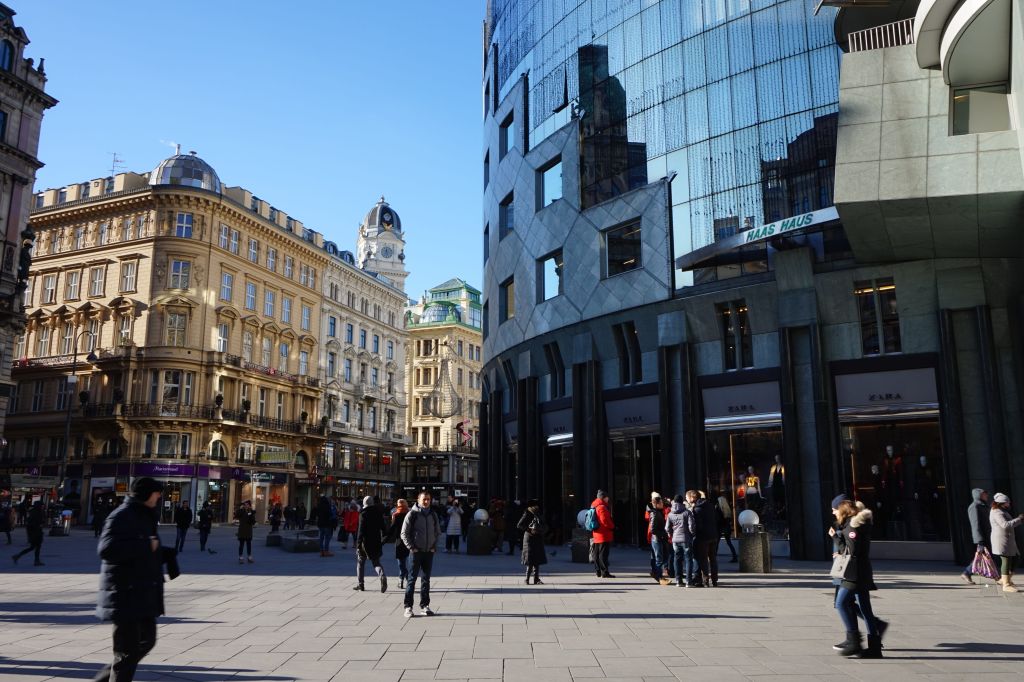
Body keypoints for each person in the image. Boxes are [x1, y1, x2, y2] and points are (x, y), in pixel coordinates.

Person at [94, 477, 178, 682]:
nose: (159, 497)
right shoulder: (122, 515)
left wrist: (164, 553)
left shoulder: (144, 515)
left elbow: (144, 545)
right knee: (127, 651)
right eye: (157, 493)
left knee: (146, 641)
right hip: (125, 593)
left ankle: (104, 679)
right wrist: (146, 547)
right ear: (147, 494)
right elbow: (106, 549)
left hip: (142, 592)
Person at [830, 495, 882, 658]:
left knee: (840, 603)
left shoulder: (851, 527)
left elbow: (851, 552)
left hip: (854, 573)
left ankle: (854, 641)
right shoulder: (856, 524)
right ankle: (874, 647)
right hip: (862, 571)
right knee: (865, 608)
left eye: (835, 511)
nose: (834, 514)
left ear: (842, 510)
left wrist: (836, 539)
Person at [400, 490, 440, 618]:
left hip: (429, 552)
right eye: (424, 499)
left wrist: (434, 546)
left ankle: (425, 606)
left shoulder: (433, 514)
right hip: (416, 552)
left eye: (428, 499)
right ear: (418, 500)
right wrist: (411, 547)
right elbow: (404, 533)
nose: (427, 501)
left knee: (426, 580)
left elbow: (437, 532)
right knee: (411, 580)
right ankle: (408, 607)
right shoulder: (412, 514)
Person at [989, 492, 1024, 592]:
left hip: (1007, 540)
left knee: (1016, 557)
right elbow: (1005, 525)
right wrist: (1019, 519)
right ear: (1002, 503)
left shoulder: (1001, 510)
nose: (1009, 504)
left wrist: (1018, 519)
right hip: (1001, 540)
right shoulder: (997, 512)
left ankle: (1004, 580)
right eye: (1007, 503)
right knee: (1006, 560)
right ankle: (1006, 584)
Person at [355, 495, 389, 592]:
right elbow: (383, 528)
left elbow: (360, 531)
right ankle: (382, 575)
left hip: (365, 543)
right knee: (376, 562)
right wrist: (383, 540)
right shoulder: (378, 513)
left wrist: (358, 545)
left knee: (361, 562)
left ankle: (360, 584)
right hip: (376, 541)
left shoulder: (363, 513)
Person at [962, 488, 992, 584]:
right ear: (978, 495)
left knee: (984, 556)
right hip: (982, 537)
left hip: (987, 536)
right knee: (981, 556)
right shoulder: (974, 507)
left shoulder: (984, 506)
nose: (986, 495)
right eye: (984, 494)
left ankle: (967, 573)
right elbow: (975, 524)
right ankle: (967, 573)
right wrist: (979, 539)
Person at [666, 494, 696, 587]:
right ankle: (688, 581)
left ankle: (678, 581)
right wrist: (692, 534)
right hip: (686, 539)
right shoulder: (687, 512)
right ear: (682, 502)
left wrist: (671, 534)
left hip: (675, 540)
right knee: (688, 559)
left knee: (677, 559)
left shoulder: (670, 514)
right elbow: (691, 527)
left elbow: (667, 528)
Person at [518, 499, 547, 584]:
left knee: (536, 559)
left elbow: (544, 524)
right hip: (529, 538)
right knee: (530, 559)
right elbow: (519, 525)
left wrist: (541, 530)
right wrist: (529, 530)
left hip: (537, 537)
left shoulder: (538, 513)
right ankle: (527, 579)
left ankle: (536, 579)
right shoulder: (527, 513)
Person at [692, 490, 718, 587]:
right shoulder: (711, 506)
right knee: (713, 559)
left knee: (703, 559)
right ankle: (715, 580)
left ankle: (706, 580)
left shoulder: (697, 509)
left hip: (703, 537)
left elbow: (698, 525)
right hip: (714, 535)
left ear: (694, 498)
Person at [590, 490, 615, 578]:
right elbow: (604, 521)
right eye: (607, 497)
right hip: (603, 533)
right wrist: (612, 526)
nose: (608, 499)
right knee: (603, 554)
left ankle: (598, 571)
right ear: (603, 497)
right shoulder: (602, 507)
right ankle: (605, 572)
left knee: (596, 553)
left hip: (597, 533)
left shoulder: (595, 505)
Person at [12, 500, 45, 566]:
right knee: (36, 547)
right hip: (36, 532)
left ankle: (18, 556)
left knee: (33, 547)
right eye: (41, 505)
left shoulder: (33, 512)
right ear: (38, 506)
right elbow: (36, 523)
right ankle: (36, 561)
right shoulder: (37, 512)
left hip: (35, 532)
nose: (42, 507)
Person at [645, 493, 669, 583]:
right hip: (657, 539)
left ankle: (657, 575)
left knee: (658, 558)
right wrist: (663, 534)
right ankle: (659, 578)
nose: (663, 504)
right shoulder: (654, 513)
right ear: (657, 504)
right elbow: (653, 529)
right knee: (659, 559)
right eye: (661, 503)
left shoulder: (657, 512)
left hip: (658, 538)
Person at [388, 499, 411, 589]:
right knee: (407, 561)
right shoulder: (410, 514)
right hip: (409, 540)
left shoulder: (396, 515)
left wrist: (384, 539)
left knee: (401, 562)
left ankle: (402, 579)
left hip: (399, 541)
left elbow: (392, 529)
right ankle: (407, 579)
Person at [715, 493, 738, 563]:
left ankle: (713, 558)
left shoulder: (718, 509)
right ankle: (734, 556)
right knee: (729, 543)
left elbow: (718, 520)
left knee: (716, 544)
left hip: (720, 528)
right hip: (726, 528)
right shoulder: (727, 509)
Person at [235, 500, 256, 564]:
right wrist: (240, 508)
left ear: (249, 505)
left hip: (248, 530)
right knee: (241, 544)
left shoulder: (251, 512)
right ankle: (240, 557)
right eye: (245, 504)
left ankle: (249, 557)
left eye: (247, 504)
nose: (246, 506)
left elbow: (253, 521)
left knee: (248, 544)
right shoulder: (241, 511)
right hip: (242, 530)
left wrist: (251, 514)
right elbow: (237, 515)